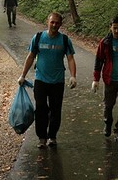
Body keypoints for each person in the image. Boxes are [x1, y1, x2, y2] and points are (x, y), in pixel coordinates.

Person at [18, 12, 78, 148]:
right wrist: (23, 75)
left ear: (61, 24)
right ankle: (42, 138)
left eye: (57, 23)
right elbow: (31, 56)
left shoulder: (64, 40)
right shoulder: (38, 37)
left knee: (56, 110)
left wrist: (73, 76)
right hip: (40, 80)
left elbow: (70, 59)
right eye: (52, 22)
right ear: (47, 22)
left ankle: (52, 136)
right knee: (40, 109)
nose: (54, 25)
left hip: (57, 81)